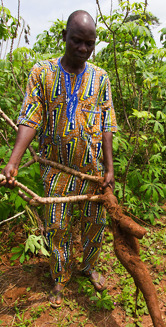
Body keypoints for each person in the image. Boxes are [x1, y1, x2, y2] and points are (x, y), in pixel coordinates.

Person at [1, 10, 117, 307]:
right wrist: (13, 161)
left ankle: (88, 267)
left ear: (94, 43)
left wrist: (109, 169)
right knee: (58, 227)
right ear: (64, 36)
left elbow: (106, 127)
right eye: (76, 41)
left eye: (89, 44)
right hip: (57, 171)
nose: (82, 49)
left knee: (96, 223)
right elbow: (30, 118)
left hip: (92, 171)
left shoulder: (101, 78)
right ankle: (60, 278)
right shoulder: (42, 73)